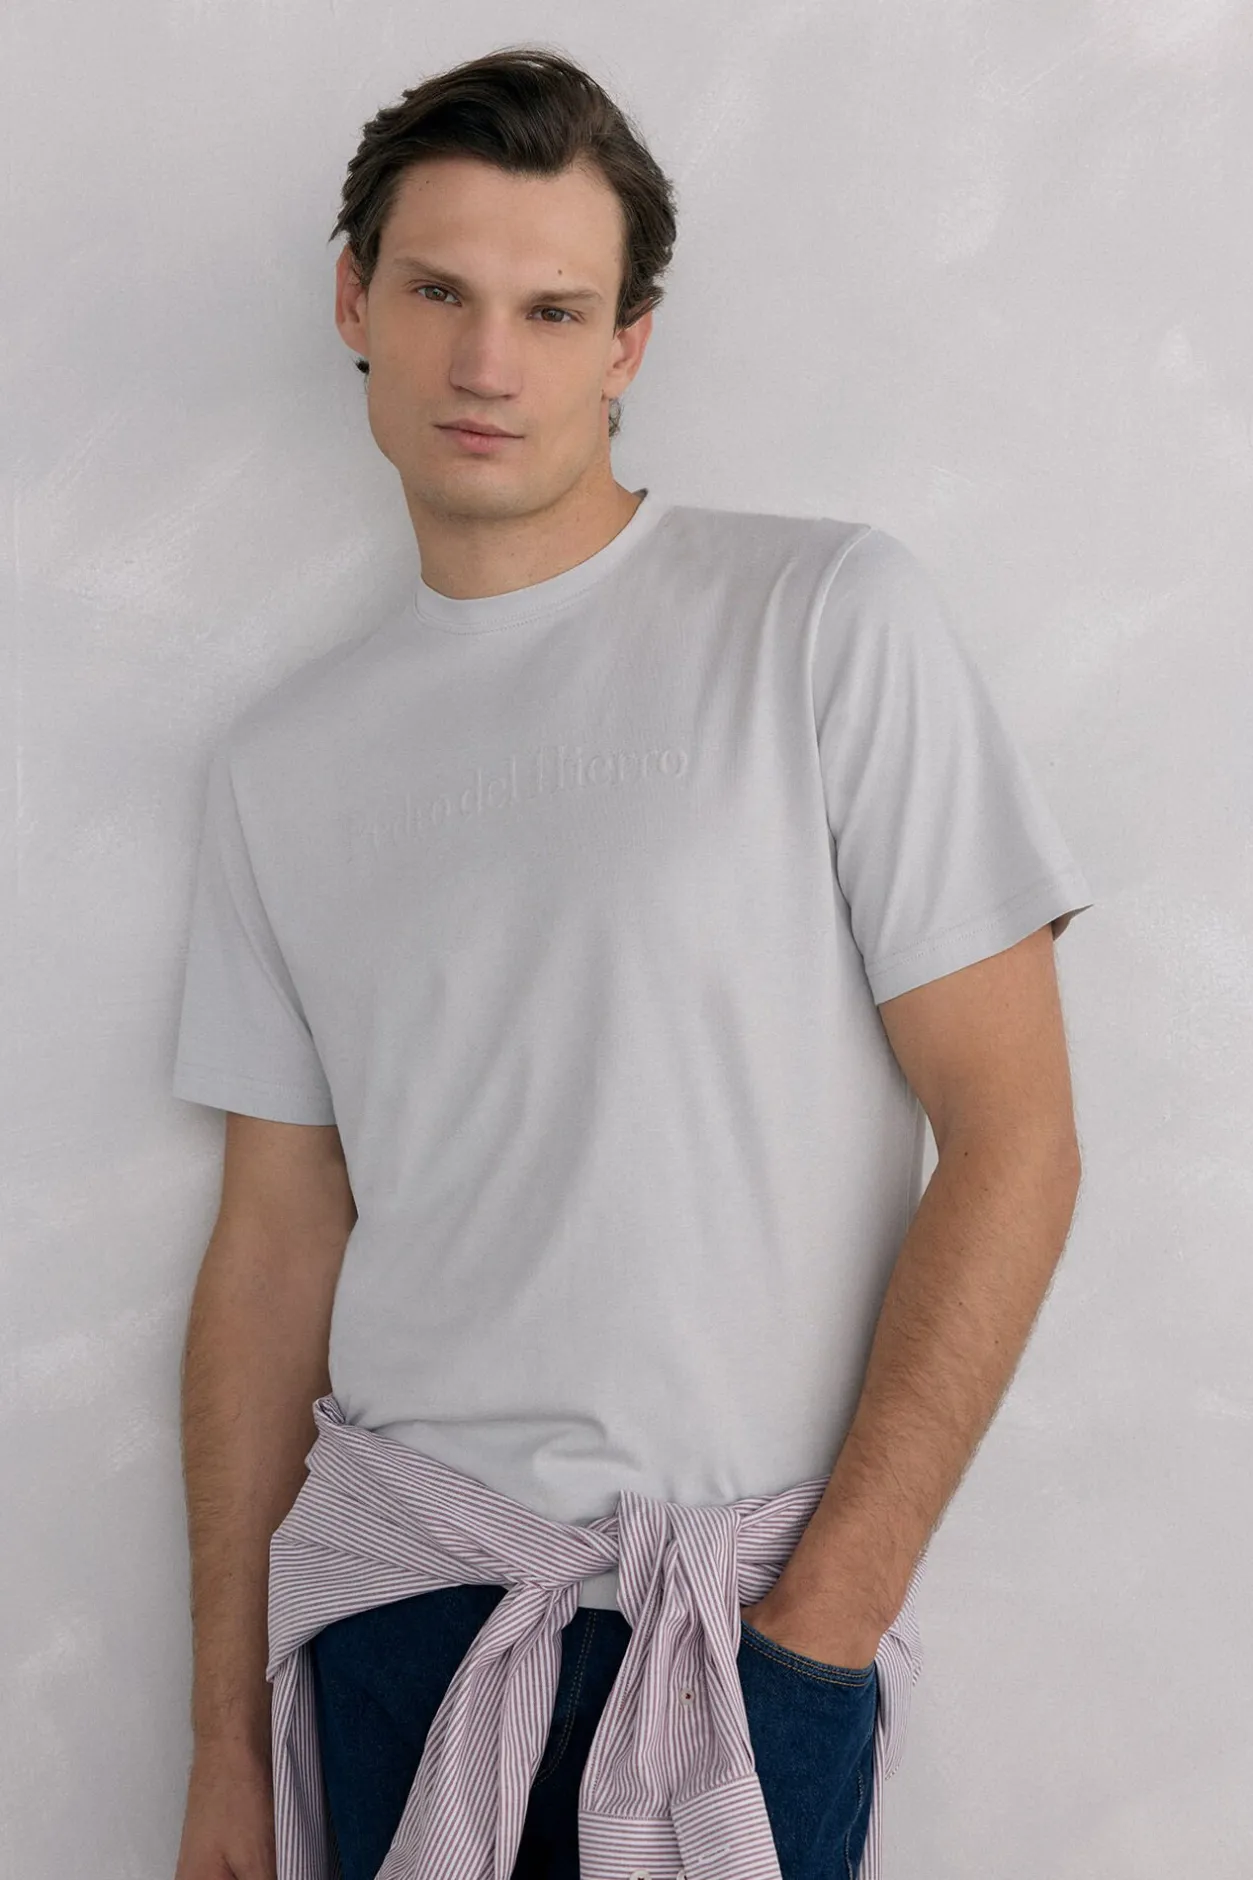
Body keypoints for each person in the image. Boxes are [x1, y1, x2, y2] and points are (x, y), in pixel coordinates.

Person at [170, 45, 1094, 1880]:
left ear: (628, 345)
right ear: (356, 302)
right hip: (398, 1618)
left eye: (552, 309)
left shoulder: (821, 619)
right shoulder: (282, 765)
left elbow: (1017, 1138)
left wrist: (823, 1624)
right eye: (437, 291)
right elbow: (273, 1248)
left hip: (729, 1637)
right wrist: (224, 1736)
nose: (486, 362)